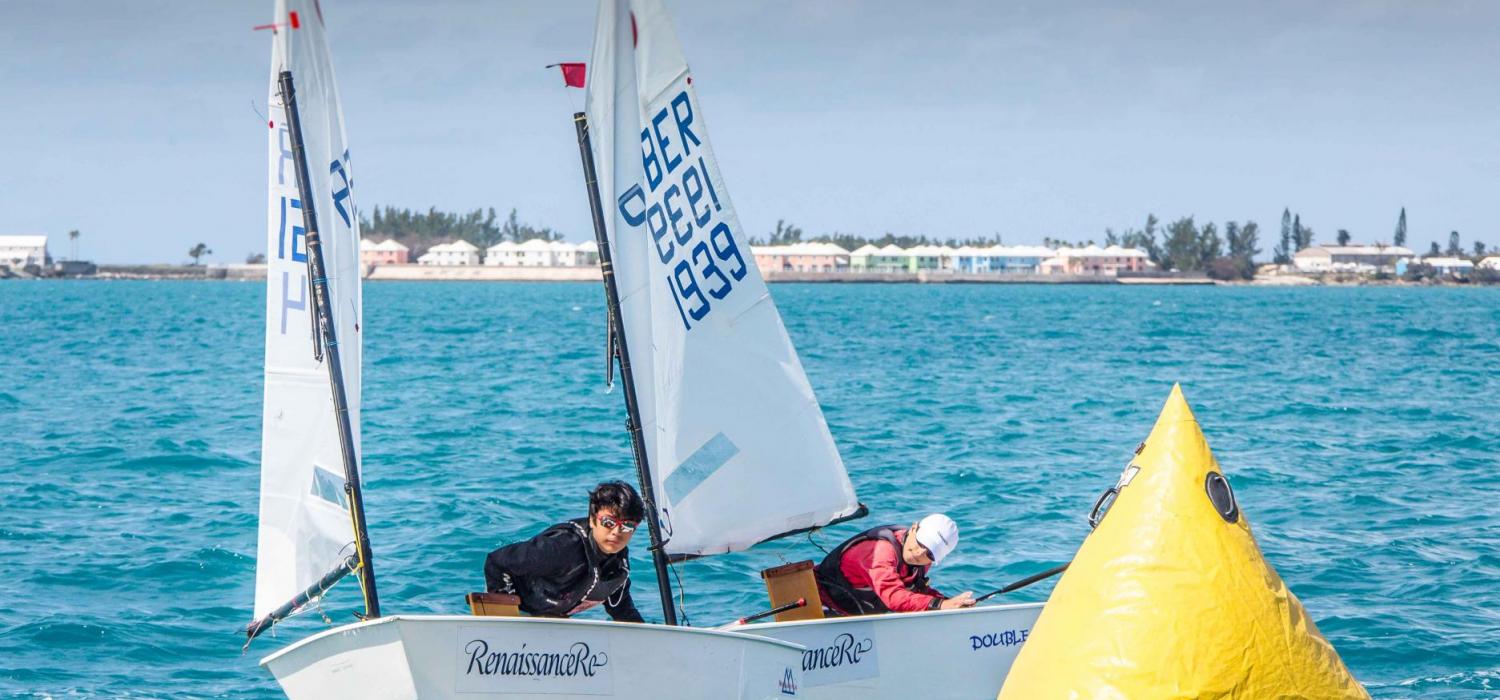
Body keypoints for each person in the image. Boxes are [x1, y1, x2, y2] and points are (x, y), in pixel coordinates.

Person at [483, 480, 645, 622]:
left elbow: (622, 610)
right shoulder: (563, 546)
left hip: (548, 625)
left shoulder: (618, 564)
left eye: (627, 526)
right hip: (518, 617)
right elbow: (497, 561)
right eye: (609, 522)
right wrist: (505, 617)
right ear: (593, 520)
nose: (617, 532)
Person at [814, 513, 976, 615]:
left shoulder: (919, 561)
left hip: (855, 618)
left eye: (930, 553)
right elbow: (894, 597)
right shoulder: (881, 551)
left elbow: (916, 591)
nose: (920, 553)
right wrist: (940, 605)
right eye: (921, 543)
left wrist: (951, 602)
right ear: (914, 528)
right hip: (820, 606)